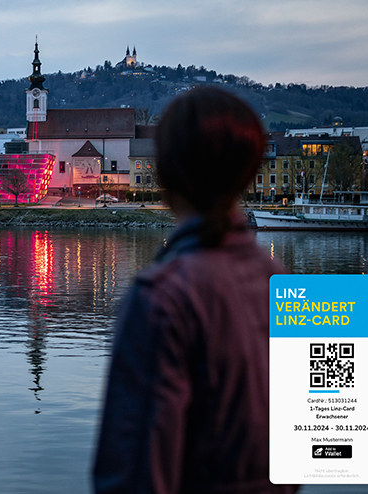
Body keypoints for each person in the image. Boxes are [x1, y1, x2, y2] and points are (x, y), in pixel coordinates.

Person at [93, 87, 297, 493]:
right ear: (249, 172)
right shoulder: (282, 282)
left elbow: (135, 475)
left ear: (167, 178)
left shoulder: (162, 298)